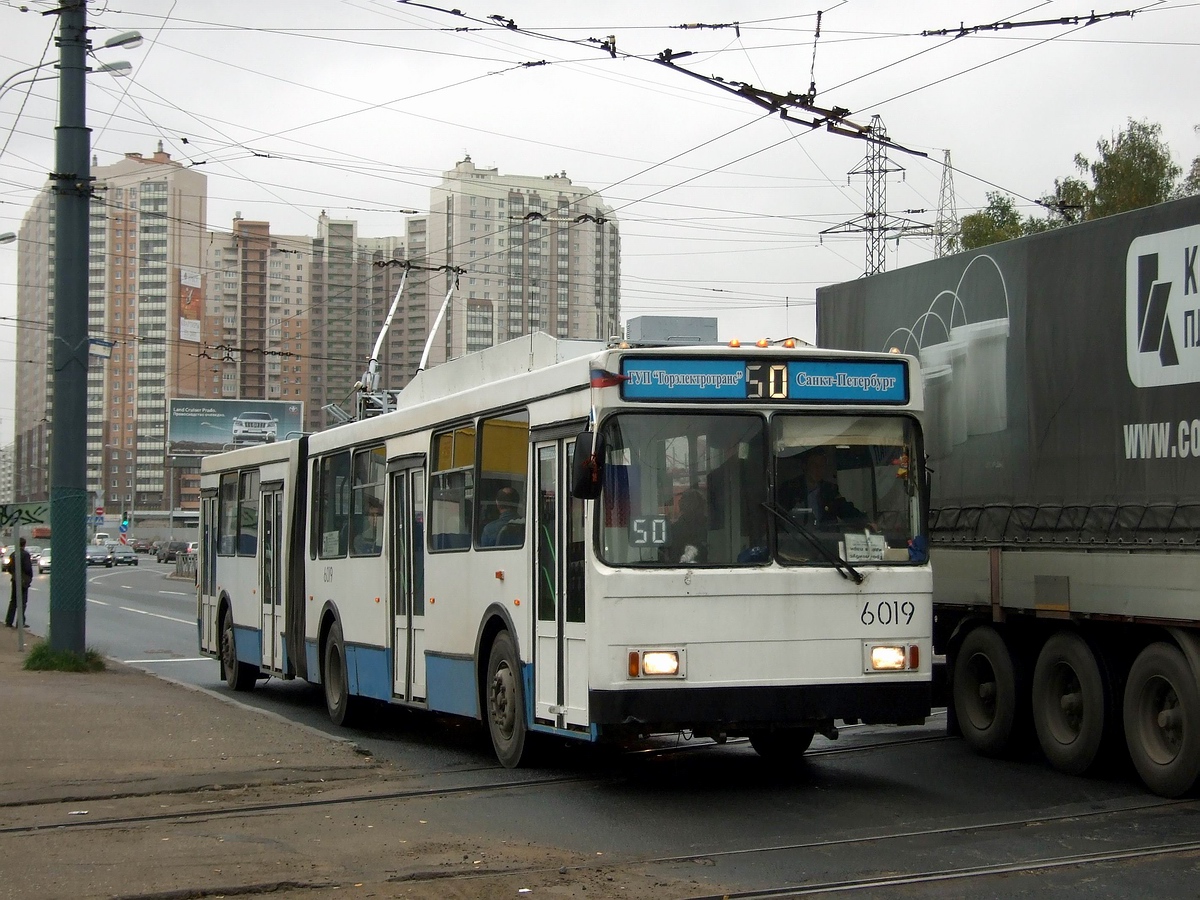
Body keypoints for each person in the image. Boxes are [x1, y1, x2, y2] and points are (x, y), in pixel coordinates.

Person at [785, 449, 867, 527]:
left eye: (822, 465)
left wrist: (865, 522)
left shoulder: (829, 490)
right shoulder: (790, 489)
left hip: (826, 539)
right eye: (814, 465)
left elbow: (845, 510)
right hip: (797, 538)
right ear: (805, 466)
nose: (818, 469)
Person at [670, 489, 708, 564]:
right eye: (688, 503)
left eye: (694, 503)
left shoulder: (710, 526)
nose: (691, 507)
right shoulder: (675, 529)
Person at [4, 538, 34, 629]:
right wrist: (29, 577)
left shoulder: (13, 554)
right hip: (23, 581)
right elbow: (28, 568)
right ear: (24, 544)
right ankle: (20, 623)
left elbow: (8, 567)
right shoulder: (25, 555)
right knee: (23, 602)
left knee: (13, 601)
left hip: (14, 580)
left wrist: (14, 574)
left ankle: (9, 621)